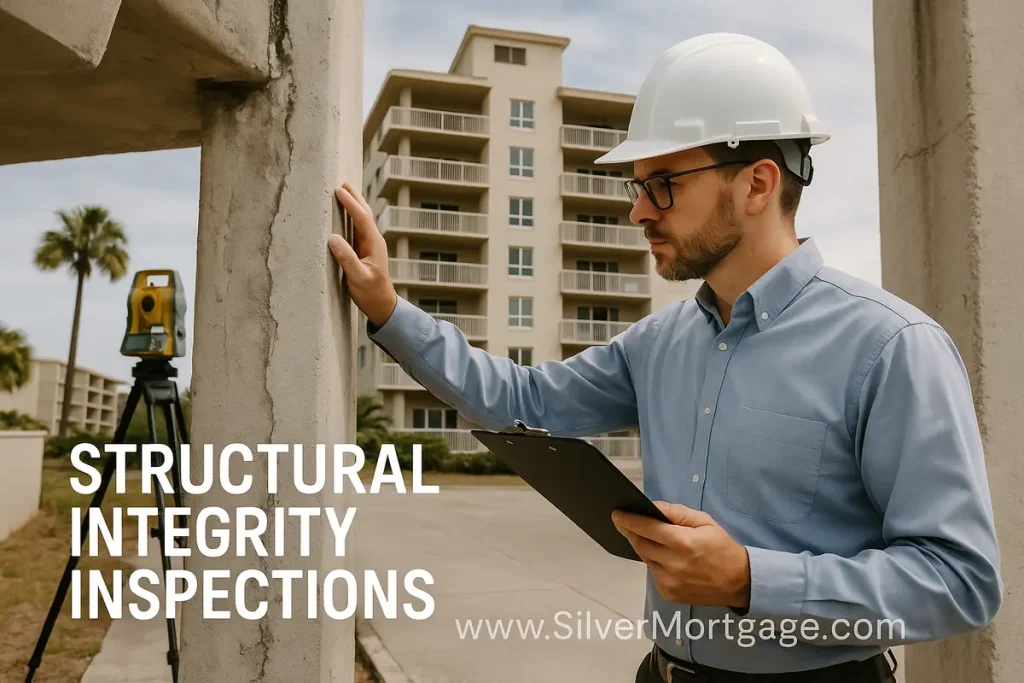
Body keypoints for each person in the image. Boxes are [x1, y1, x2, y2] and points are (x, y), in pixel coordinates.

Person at [328, 32, 1002, 683]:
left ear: (759, 184)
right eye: (638, 186)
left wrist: (749, 577)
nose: (638, 213)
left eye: (664, 184)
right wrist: (388, 309)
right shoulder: (659, 342)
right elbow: (525, 400)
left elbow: (960, 581)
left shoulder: (891, 348)